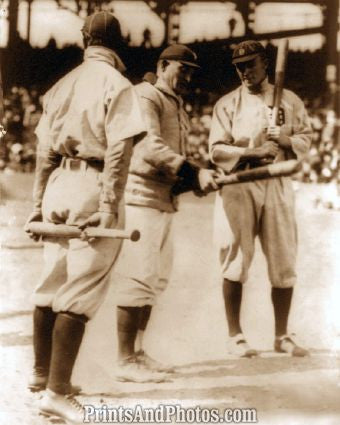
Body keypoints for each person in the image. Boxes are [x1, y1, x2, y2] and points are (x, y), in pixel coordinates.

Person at [24, 11, 146, 424]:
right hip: (93, 184)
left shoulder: (62, 85)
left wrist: (38, 203)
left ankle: (42, 376)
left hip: (60, 180)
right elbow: (118, 151)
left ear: (84, 41)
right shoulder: (118, 84)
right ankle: (57, 393)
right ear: (118, 43)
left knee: (51, 282)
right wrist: (109, 205)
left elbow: (44, 152)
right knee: (81, 288)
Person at [113, 44, 219, 383]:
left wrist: (192, 182)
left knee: (155, 280)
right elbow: (148, 148)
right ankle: (124, 359)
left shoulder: (176, 102)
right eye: (181, 68)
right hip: (140, 200)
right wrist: (192, 172)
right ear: (162, 66)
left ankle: (138, 353)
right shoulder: (146, 95)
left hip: (163, 201)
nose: (187, 76)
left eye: (191, 71)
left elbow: (172, 165)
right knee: (137, 278)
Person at [209, 40, 312, 358]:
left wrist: (284, 139)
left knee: (283, 259)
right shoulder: (228, 103)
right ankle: (235, 335)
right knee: (236, 258)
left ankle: (282, 335)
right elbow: (216, 150)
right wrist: (253, 151)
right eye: (239, 67)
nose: (244, 71)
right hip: (242, 181)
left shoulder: (290, 100)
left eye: (250, 64)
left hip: (278, 179)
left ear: (265, 64)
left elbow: (306, 138)